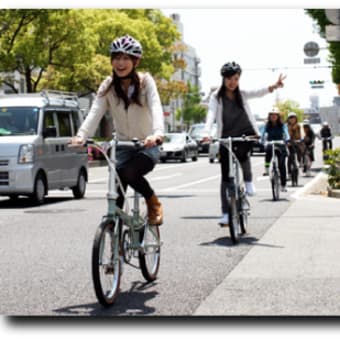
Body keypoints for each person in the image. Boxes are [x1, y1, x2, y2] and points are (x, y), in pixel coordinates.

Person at [70, 35, 164, 226]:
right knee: (115, 190)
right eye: (116, 58)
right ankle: (116, 238)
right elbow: (95, 111)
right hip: (122, 145)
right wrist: (82, 136)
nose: (120, 63)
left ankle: (153, 202)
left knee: (130, 172)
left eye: (126, 58)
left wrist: (157, 134)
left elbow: (156, 107)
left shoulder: (146, 82)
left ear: (135, 61)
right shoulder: (108, 86)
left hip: (146, 145)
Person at [203, 61, 286, 225]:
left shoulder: (242, 93)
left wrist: (274, 86)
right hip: (225, 135)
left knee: (243, 153)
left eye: (235, 78)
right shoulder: (216, 96)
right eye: (228, 79)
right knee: (226, 177)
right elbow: (211, 114)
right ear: (223, 79)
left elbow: (258, 92)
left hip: (246, 132)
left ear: (239, 78)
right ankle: (226, 213)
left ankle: (248, 181)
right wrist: (206, 133)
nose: (232, 82)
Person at [262, 107, 290, 192]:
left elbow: (286, 133)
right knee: (268, 151)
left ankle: (283, 185)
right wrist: (262, 141)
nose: (273, 117)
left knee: (282, 165)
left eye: (275, 115)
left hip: (280, 144)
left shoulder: (282, 125)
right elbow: (263, 134)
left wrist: (287, 139)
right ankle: (266, 168)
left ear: (278, 116)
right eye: (271, 115)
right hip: (271, 143)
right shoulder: (267, 125)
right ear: (269, 116)